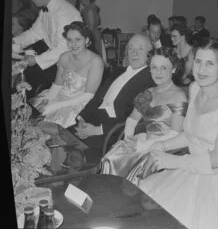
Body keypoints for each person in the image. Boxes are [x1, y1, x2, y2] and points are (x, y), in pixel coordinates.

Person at [137, 37, 218, 229]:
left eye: (210, 63)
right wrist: (162, 146)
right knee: (146, 199)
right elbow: (191, 134)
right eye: (197, 61)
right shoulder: (195, 88)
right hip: (191, 167)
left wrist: (173, 161)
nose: (201, 70)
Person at [101, 47, 188, 185]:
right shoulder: (148, 92)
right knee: (110, 158)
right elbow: (132, 119)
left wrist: (143, 145)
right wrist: (129, 140)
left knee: (122, 164)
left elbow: (175, 133)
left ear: (173, 69)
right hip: (142, 141)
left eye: (164, 68)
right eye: (154, 67)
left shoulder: (179, 96)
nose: (158, 72)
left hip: (163, 148)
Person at [67, 34, 156, 163]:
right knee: (58, 138)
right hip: (91, 120)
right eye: (131, 48)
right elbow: (97, 98)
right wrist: (82, 118)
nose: (134, 53)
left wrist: (96, 130)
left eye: (140, 49)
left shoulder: (150, 79)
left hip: (111, 132)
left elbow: (133, 117)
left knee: (71, 153)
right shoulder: (117, 72)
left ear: (149, 54)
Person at [12, 0, 82, 97]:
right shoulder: (46, 10)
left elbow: (65, 47)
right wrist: (13, 42)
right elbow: (34, 33)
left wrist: (37, 59)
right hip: (60, 66)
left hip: (75, 68)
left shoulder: (64, 11)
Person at [30, 21, 104, 128]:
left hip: (79, 103)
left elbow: (88, 95)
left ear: (86, 40)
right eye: (69, 40)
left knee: (50, 125)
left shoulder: (96, 62)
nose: (73, 45)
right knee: (32, 115)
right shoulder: (64, 57)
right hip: (60, 96)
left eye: (78, 40)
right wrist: (49, 100)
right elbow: (57, 85)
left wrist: (57, 105)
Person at [78, 0, 108, 66]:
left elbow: (90, 26)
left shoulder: (89, 9)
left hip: (92, 36)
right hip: (95, 34)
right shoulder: (92, 8)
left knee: (93, 58)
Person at [170, 23, 194, 89]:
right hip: (173, 84)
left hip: (185, 86)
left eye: (174, 36)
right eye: (171, 36)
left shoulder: (191, 53)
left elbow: (185, 75)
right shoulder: (173, 51)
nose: (172, 39)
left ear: (183, 37)